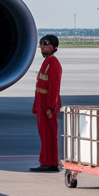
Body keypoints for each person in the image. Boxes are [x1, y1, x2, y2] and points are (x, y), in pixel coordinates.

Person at [30, 35, 63, 172]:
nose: (42, 46)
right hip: (42, 103)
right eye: (41, 44)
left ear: (54, 47)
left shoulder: (53, 63)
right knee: (44, 134)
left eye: (46, 44)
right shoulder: (47, 62)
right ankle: (45, 162)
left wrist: (50, 107)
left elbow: (54, 87)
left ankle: (50, 163)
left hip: (47, 105)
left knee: (49, 134)